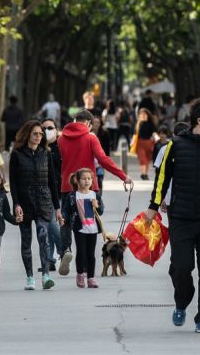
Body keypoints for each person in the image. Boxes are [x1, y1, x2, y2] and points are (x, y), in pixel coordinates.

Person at [146, 99, 200, 334]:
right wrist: (153, 206)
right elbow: (162, 178)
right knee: (181, 267)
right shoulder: (176, 145)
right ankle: (182, 300)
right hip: (181, 217)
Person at [57, 109, 132, 276]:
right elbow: (103, 160)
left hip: (67, 186)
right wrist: (123, 176)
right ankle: (84, 265)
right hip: (89, 187)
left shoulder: (61, 139)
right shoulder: (91, 137)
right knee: (90, 222)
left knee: (67, 222)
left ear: (75, 120)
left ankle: (66, 250)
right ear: (89, 124)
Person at [9, 120, 62, 290]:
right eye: (35, 134)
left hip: (43, 201)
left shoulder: (45, 153)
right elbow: (13, 183)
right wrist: (16, 204)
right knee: (26, 241)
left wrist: (57, 208)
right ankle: (30, 277)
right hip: (24, 203)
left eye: (41, 134)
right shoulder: (17, 154)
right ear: (27, 135)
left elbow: (52, 182)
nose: (39, 136)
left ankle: (46, 275)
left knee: (43, 236)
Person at [62, 168, 105, 288]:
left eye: (89, 179)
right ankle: (80, 274)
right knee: (81, 252)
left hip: (93, 228)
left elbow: (100, 211)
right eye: (84, 179)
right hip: (79, 228)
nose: (87, 181)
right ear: (77, 180)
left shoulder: (95, 195)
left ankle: (91, 278)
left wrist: (97, 206)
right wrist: (63, 218)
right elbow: (66, 210)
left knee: (91, 254)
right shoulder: (72, 196)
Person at [40, 118, 62, 272]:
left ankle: (64, 250)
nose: (47, 130)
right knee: (48, 228)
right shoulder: (39, 148)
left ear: (56, 129)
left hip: (61, 192)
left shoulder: (62, 146)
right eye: (44, 128)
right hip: (45, 193)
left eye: (50, 127)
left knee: (55, 226)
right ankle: (50, 260)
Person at [132, 108, 157, 180]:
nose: (143, 115)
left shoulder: (151, 123)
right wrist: (132, 142)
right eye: (141, 114)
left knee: (147, 159)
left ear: (148, 115)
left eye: (144, 114)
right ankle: (143, 174)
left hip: (149, 143)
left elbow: (154, 132)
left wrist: (157, 139)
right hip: (140, 143)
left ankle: (145, 173)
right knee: (143, 159)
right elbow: (135, 134)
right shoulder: (138, 124)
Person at [92, 116, 111, 193]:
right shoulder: (88, 133)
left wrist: (106, 158)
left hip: (101, 159)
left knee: (100, 178)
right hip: (91, 160)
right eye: (95, 122)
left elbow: (108, 146)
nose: (96, 124)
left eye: (98, 122)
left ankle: (99, 195)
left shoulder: (104, 132)